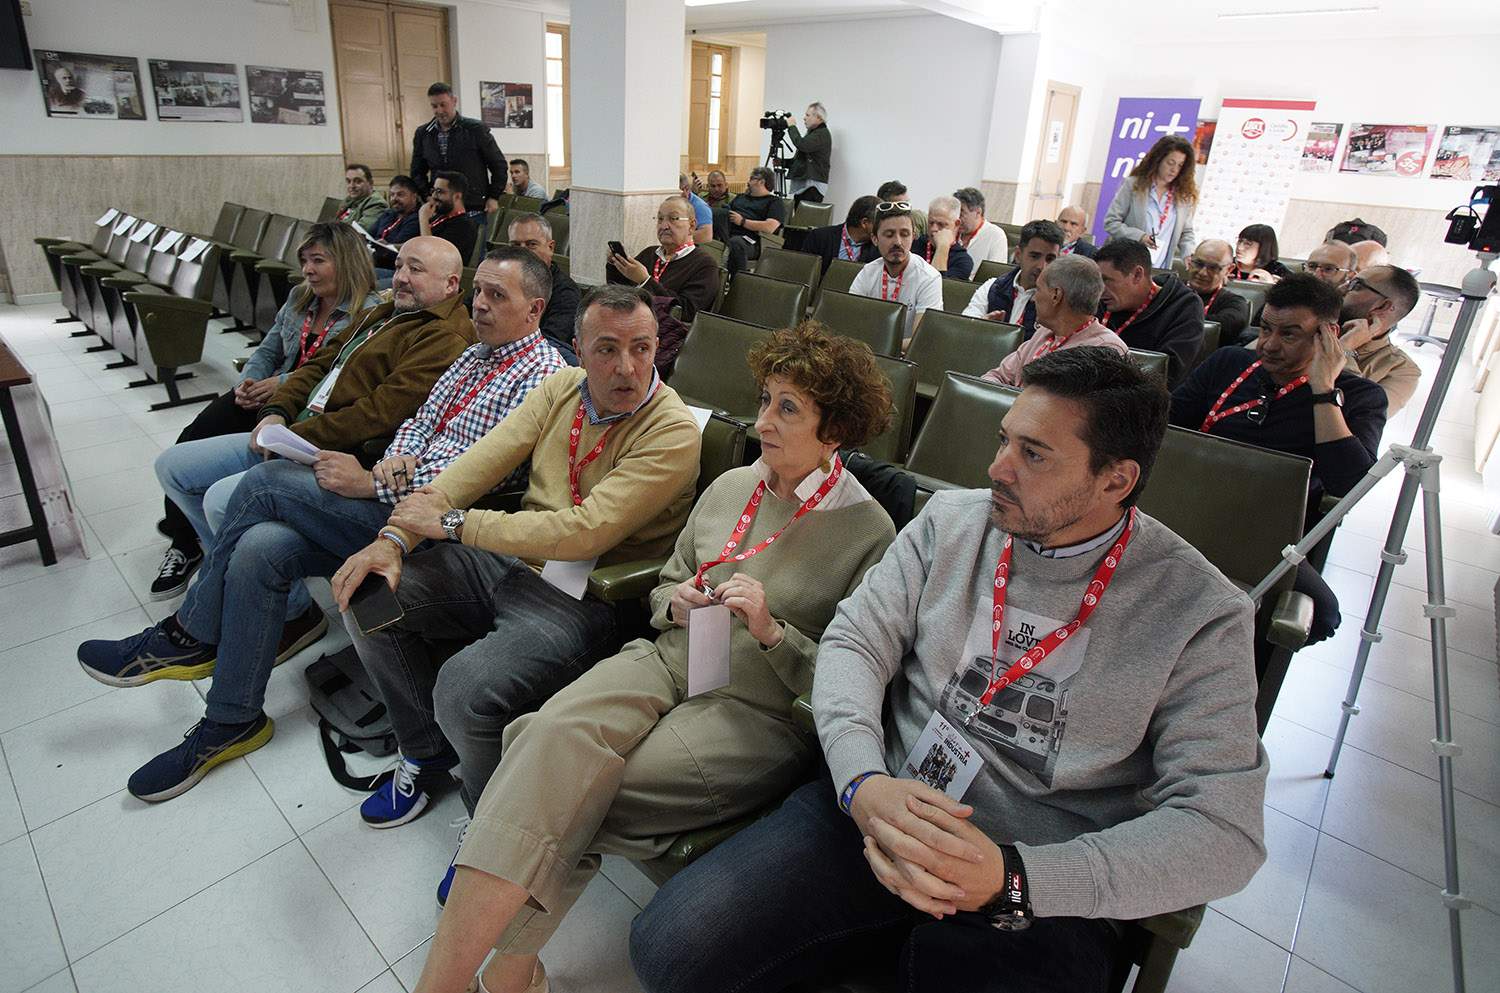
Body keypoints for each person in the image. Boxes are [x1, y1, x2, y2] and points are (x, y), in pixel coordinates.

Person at [631, 347, 1268, 993]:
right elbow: (855, 640)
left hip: (1035, 880)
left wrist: (1014, 877)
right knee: (670, 948)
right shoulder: (951, 522)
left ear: (1115, 479)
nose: (997, 468)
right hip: (883, 804)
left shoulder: (1199, 612)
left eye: (1034, 453)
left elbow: (1223, 829)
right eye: (1003, 440)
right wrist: (861, 781)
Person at [414, 324, 898, 993]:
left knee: (560, 776)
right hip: (675, 656)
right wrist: (679, 603)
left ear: (835, 427)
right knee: (546, 735)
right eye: (763, 399)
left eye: (789, 407)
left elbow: (850, 682)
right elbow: (666, 583)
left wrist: (772, 631)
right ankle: (492, 975)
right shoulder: (733, 484)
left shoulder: (870, 532)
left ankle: (491, 972)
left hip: (756, 707)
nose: (763, 421)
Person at [77, 248, 564, 803]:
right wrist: (391, 462)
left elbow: (481, 468)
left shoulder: (544, 374)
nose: (478, 304)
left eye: (496, 296)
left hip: (432, 521)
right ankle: (231, 718)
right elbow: (418, 423)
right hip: (396, 490)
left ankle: (189, 634)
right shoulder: (475, 356)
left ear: (535, 309)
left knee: (266, 484)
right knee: (262, 545)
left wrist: (374, 483)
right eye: (477, 291)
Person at [332, 286, 701, 853]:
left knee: (463, 688)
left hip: (589, 595)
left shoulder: (671, 429)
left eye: (642, 348)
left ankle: (487, 824)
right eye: (606, 349)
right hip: (512, 560)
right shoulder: (561, 388)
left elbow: (587, 531)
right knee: (370, 595)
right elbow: (479, 461)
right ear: (575, 348)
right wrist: (394, 536)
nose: (627, 367)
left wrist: (453, 524)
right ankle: (424, 751)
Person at [151, 236, 476, 613]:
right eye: (399, 265)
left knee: (221, 501)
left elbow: (377, 414)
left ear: (451, 284)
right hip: (294, 432)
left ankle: (289, 611)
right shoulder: (386, 310)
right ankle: (228, 571)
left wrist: (290, 436)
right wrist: (275, 411)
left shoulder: (443, 335)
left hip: (331, 449)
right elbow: (320, 364)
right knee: (172, 467)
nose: (400, 277)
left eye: (415, 269)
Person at [149, 223, 380, 600]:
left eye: (318, 261)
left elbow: (341, 373)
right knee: (192, 436)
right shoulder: (299, 298)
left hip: (305, 404)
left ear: (346, 263)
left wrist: (282, 384)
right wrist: (249, 381)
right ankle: (196, 544)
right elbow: (267, 349)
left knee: (237, 475)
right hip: (265, 393)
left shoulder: (367, 314)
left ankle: (220, 552)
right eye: (304, 260)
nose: (307, 270)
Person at [1171, 274, 1387, 642]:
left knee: (1323, 615)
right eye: (1266, 328)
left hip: (1266, 536)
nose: (1269, 345)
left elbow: (1349, 485)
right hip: (1185, 509)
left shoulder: (1360, 396)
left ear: (1328, 336)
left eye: (1289, 334)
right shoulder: (1228, 364)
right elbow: (1165, 425)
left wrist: (1322, 389)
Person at [982, 255, 1126, 387]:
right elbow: (997, 376)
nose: (1033, 299)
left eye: (1038, 290)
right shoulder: (1044, 332)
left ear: (1056, 295)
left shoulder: (1105, 350)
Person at [1094, 238, 1204, 387]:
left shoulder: (1184, 306)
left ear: (1137, 275)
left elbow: (1168, 373)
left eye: (1107, 280)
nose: (1100, 290)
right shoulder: (1104, 300)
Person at [605, 195, 721, 325]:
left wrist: (645, 281)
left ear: (692, 226)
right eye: (660, 219)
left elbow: (687, 312)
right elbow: (618, 291)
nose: (664, 226)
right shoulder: (650, 253)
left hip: (671, 334)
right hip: (632, 323)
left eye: (673, 219)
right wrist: (615, 265)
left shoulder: (705, 265)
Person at [849, 203, 942, 344]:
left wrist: (874, 345)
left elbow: (919, 341)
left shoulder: (929, 277)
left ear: (913, 236)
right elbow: (849, 324)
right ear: (875, 239)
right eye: (889, 235)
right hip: (865, 353)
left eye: (905, 234)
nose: (898, 242)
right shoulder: (868, 272)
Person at [410, 81, 508, 214]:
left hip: (473, 206)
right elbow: (417, 172)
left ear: (454, 101)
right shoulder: (423, 134)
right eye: (434, 106)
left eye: (443, 105)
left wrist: (493, 197)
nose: (439, 111)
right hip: (440, 207)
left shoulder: (475, 129)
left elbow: (498, 165)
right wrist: (427, 195)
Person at [1103, 135, 1198, 268]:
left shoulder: (1183, 196)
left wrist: (1188, 253)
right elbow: (1111, 222)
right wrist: (1139, 237)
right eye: (1170, 163)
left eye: (1180, 165)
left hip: (1160, 268)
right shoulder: (1134, 185)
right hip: (1127, 263)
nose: (1174, 170)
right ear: (1158, 159)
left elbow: (1186, 233)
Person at [1339, 265, 1423, 415]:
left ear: (1383, 306)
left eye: (1356, 285)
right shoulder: (1315, 326)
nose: (1342, 288)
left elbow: (1358, 418)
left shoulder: (1401, 370)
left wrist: (1344, 351)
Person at [963, 220, 1065, 340]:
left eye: (1050, 259)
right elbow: (964, 329)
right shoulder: (992, 287)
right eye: (1034, 256)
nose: (1042, 266)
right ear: (1018, 255)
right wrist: (982, 327)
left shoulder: (1060, 301)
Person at [507, 212, 580, 366]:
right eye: (515, 245)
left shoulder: (565, 293)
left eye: (531, 244)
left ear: (550, 247)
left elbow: (548, 345)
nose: (522, 252)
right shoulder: (500, 280)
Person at [713, 166, 787, 276]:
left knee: (736, 243)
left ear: (761, 182)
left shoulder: (774, 202)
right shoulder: (741, 198)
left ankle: (736, 283)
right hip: (728, 233)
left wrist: (743, 221)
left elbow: (770, 227)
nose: (748, 182)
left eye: (752, 178)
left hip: (753, 240)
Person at [1184, 239, 1250, 346]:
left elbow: (1227, 326)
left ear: (1229, 270)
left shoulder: (1234, 303)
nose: (1203, 273)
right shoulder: (1168, 287)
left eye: (1213, 268)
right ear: (1191, 261)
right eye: (1199, 263)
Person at [800, 195, 880, 275]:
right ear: (864, 223)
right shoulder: (819, 237)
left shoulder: (878, 249)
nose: (884, 228)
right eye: (880, 223)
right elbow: (803, 273)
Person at [420, 171, 480, 266]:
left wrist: (423, 219)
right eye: (433, 190)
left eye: (439, 191)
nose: (434, 196)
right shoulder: (439, 217)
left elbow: (433, 256)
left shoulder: (464, 226)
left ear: (457, 196)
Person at [911, 196, 974, 280]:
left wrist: (942, 247)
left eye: (941, 224)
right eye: (931, 222)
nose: (933, 229)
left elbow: (937, 287)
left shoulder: (962, 261)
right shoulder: (915, 244)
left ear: (957, 224)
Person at [782, 103, 832, 204]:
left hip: (812, 187)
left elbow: (802, 145)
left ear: (818, 117)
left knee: (805, 219)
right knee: (800, 217)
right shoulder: (814, 133)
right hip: (807, 185)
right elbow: (801, 160)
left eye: (808, 115)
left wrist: (792, 127)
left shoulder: (821, 134)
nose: (804, 118)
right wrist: (783, 162)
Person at [952, 187, 1010, 272]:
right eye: (955, 213)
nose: (957, 218)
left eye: (961, 213)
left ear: (978, 212)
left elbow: (995, 275)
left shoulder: (996, 235)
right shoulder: (951, 231)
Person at [337, 164, 387, 228]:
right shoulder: (348, 200)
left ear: (370, 183)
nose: (352, 186)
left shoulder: (377, 204)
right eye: (348, 181)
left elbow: (359, 231)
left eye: (358, 181)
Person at [678, 173, 715, 244]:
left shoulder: (701, 206)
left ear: (688, 188)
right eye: (681, 190)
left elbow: (706, 236)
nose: (684, 193)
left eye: (685, 189)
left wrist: (677, 237)